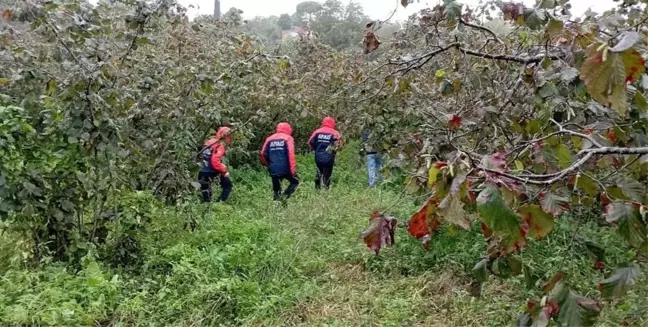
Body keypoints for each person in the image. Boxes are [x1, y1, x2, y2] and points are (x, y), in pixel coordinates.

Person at [260, 122, 299, 201]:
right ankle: (285, 196)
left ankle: (277, 205)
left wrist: (268, 164)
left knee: (276, 190)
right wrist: (293, 170)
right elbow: (291, 155)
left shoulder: (269, 139)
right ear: (288, 129)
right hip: (286, 168)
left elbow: (263, 153)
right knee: (295, 182)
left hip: (273, 168)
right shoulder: (288, 138)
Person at [197, 126, 233, 202]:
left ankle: (207, 207)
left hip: (201, 171)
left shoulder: (209, 142)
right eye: (229, 137)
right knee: (228, 185)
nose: (230, 139)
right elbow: (215, 162)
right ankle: (220, 203)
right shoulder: (219, 146)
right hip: (211, 171)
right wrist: (224, 171)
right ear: (225, 137)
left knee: (205, 193)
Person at [308, 117, 342, 190]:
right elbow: (339, 144)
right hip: (329, 157)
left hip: (318, 157)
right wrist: (334, 151)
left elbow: (310, 142)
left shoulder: (317, 132)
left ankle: (317, 189)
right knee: (327, 174)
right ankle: (326, 190)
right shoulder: (335, 132)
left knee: (319, 172)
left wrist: (314, 149)